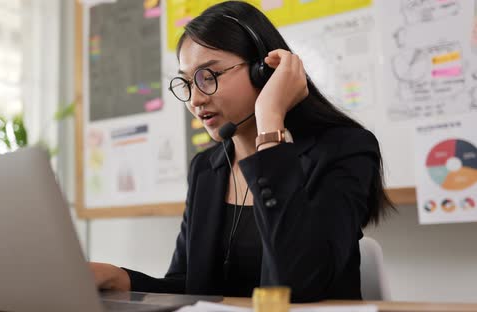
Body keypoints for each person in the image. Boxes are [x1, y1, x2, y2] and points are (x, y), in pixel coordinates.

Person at [90, 1, 394, 302]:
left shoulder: (344, 149)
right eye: (186, 82)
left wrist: (270, 122)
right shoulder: (207, 168)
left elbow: (299, 285)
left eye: (208, 77)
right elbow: (192, 288)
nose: (195, 99)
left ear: (263, 71)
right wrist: (120, 277)